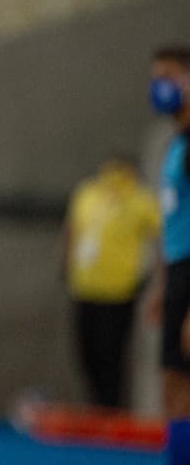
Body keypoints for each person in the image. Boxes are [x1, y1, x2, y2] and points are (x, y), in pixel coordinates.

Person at [62, 155, 160, 408]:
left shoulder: (140, 199)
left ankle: (112, 408)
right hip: (85, 287)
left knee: (112, 355)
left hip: (119, 290)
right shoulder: (88, 193)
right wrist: (67, 265)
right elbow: (72, 229)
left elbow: (164, 237)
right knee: (87, 353)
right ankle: (98, 406)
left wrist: (154, 279)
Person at [149, 44, 190, 463]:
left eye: (168, 74)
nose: (159, 85)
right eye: (154, 76)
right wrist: (163, 286)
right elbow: (171, 221)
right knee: (173, 384)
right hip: (178, 270)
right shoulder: (176, 144)